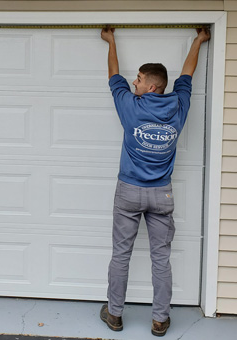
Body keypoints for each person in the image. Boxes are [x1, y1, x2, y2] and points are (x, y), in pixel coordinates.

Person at [99, 26, 210, 337]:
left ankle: (115, 314)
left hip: (128, 192)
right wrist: (199, 41)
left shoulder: (130, 106)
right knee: (160, 258)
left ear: (150, 87)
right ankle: (160, 320)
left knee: (121, 253)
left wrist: (111, 41)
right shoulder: (178, 105)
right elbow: (188, 75)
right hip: (161, 194)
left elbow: (112, 74)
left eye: (139, 79)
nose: (133, 81)